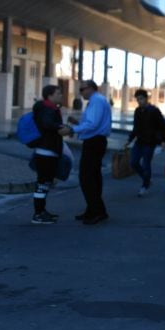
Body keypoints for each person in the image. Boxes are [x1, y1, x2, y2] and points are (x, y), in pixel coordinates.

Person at [59, 80, 112, 225]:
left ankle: (98, 211)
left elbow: (93, 124)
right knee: (92, 177)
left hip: (95, 142)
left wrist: (71, 129)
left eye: (82, 89)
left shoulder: (96, 101)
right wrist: (77, 124)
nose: (80, 93)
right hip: (94, 141)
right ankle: (93, 209)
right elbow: (92, 123)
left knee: (87, 177)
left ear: (91, 88)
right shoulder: (96, 101)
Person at [124, 89, 165, 197]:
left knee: (146, 164)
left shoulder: (154, 111)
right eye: (138, 99)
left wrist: (164, 140)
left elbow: (164, 126)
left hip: (150, 143)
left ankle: (144, 186)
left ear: (146, 99)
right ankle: (147, 179)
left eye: (141, 99)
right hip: (139, 142)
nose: (139, 101)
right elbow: (135, 128)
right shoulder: (137, 111)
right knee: (133, 163)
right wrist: (129, 140)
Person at [30, 85, 65, 224]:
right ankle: (38, 214)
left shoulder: (49, 108)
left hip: (47, 150)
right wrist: (60, 127)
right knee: (43, 183)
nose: (60, 95)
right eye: (58, 93)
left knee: (44, 183)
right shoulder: (47, 109)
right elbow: (47, 124)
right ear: (49, 96)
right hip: (46, 151)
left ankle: (41, 211)